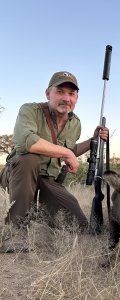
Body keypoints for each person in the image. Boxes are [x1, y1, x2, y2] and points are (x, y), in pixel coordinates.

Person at [0, 71, 108, 252]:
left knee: (79, 225)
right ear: (48, 93)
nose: (66, 98)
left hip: (47, 182)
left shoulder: (75, 123)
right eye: (60, 92)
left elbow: (70, 151)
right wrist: (66, 153)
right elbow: (25, 141)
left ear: (76, 98)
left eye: (71, 94)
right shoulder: (29, 110)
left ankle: (34, 211)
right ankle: (15, 234)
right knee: (30, 160)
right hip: (18, 174)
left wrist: (92, 141)